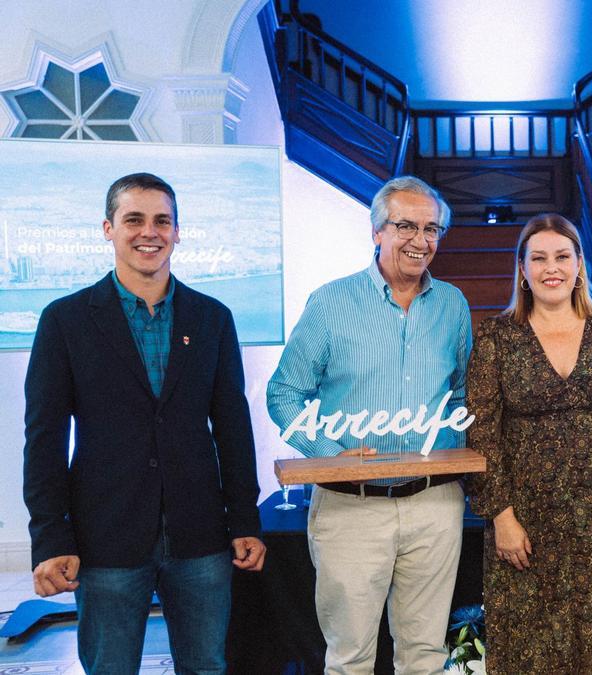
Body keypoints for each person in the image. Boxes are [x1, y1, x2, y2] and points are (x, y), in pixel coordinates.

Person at [23, 172, 265, 674]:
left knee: (206, 667)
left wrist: (244, 518)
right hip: (104, 536)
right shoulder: (64, 321)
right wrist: (51, 537)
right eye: (133, 219)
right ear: (108, 228)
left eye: (162, 221)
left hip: (200, 535)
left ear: (178, 232)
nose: (148, 232)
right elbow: (44, 441)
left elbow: (233, 427)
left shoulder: (212, 318)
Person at [266, 175, 471, 674]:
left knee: (425, 655)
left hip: (435, 504)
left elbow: (462, 393)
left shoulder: (453, 306)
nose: (420, 241)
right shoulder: (331, 304)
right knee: (350, 657)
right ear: (376, 231)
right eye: (405, 226)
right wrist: (328, 455)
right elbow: (284, 394)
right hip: (350, 507)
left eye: (431, 229)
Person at [466, 213, 592, 674]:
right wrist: (500, 514)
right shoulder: (496, 336)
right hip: (527, 521)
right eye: (538, 258)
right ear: (522, 269)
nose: (550, 268)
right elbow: (482, 431)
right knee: (531, 648)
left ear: (579, 265)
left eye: (562, 256)